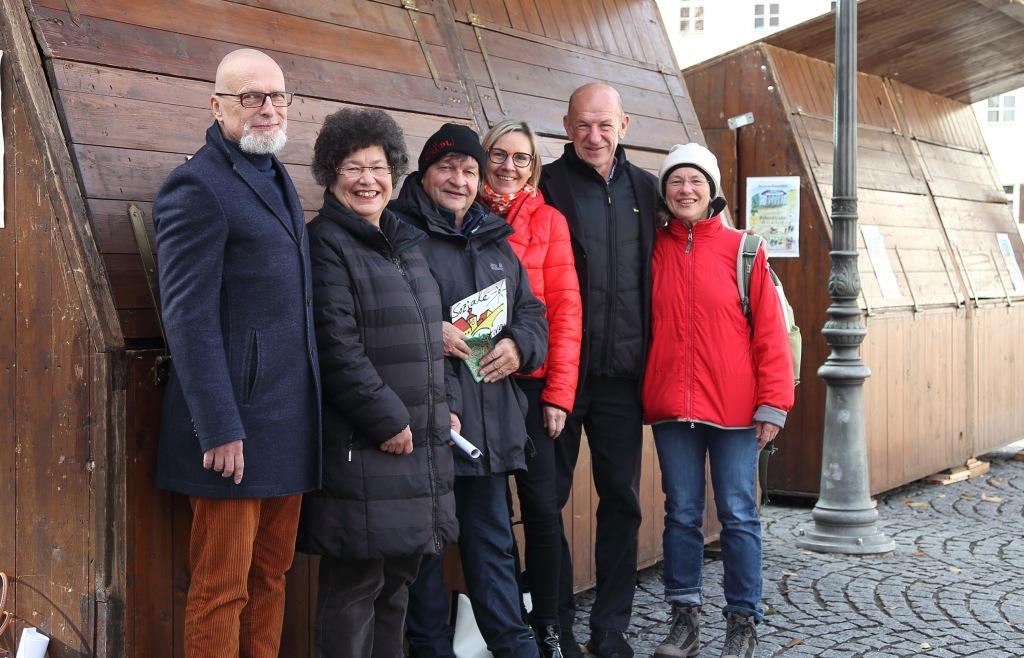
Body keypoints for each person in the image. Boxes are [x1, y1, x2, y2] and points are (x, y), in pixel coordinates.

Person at [152, 49, 319, 658]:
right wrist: (218, 427)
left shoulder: (274, 173)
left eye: (276, 96)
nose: (267, 107)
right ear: (216, 105)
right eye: (250, 97)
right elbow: (187, 318)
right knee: (222, 589)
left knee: (270, 578)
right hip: (233, 434)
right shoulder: (197, 186)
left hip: (284, 424)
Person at [294, 108, 458, 658]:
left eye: (378, 166)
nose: (368, 179)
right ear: (330, 175)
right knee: (355, 586)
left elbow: (427, 341)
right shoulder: (326, 244)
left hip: (418, 443)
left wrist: (445, 407)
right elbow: (335, 346)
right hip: (367, 445)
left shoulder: (405, 243)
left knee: (397, 584)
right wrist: (387, 420)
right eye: (351, 168)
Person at [394, 123, 547, 658]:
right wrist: (424, 328)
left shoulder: (494, 239)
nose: (457, 180)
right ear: (425, 172)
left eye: (468, 170)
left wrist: (520, 345)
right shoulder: (397, 232)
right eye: (446, 168)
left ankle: (516, 650)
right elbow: (372, 316)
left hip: (487, 426)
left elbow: (532, 312)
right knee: (424, 558)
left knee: (495, 552)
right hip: (428, 423)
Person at [643, 143, 794, 658]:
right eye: (676, 181)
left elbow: (770, 333)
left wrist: (773, 404)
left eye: (696, 182)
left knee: (738, 513)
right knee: (681, 513)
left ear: (712, 192)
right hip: (671, 408)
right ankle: (684, 620)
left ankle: (742, 623)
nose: (686, 190)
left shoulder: (744, 248)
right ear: (665, 192)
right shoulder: (653, 249)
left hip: (735, 411)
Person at [538, 83, 659, 658]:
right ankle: (555, 621)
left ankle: (610, 627)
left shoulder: (647, 190)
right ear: (566, 126)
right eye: (583, 125)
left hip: (622, 380)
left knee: (623, 502)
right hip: (557, 377)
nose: (594, 136)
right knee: (545, 503)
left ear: (624, 126)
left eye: (604, 125)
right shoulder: (545, 186)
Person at [479, 120, 583, 658]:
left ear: (534, 166)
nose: (509, 166)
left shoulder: (549, 221)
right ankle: (503, 628)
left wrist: (561, 394)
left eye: (522, 158)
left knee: (542, 509)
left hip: (536, 387)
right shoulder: (465, 213)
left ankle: (553, 625)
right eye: (500, 154)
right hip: (479, 387)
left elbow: (566, 311)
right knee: (488, 515)